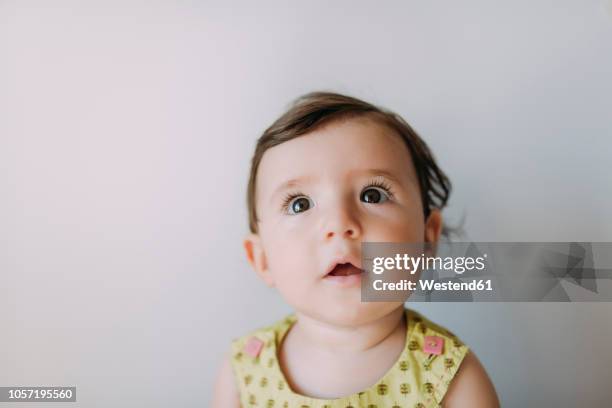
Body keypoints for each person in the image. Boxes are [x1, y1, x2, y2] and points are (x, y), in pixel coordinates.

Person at [212, 92, 499, 407]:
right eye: (300, 204)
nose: (339, 223)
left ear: (427, 238)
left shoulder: (451, 377)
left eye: (372, 195)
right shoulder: (244, 374)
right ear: (262, 259)